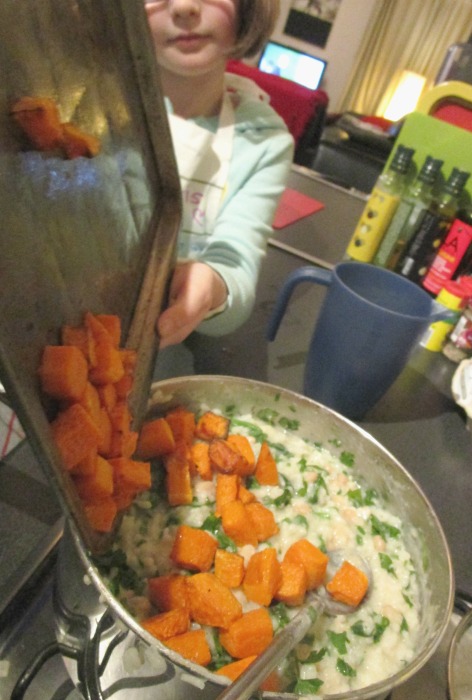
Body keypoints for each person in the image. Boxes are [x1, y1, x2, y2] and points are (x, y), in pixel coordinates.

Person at [145, 0, 294, 348]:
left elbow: (236, 269)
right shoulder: (90, 102)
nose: (183, 6)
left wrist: (211, 284)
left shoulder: (262, 141)